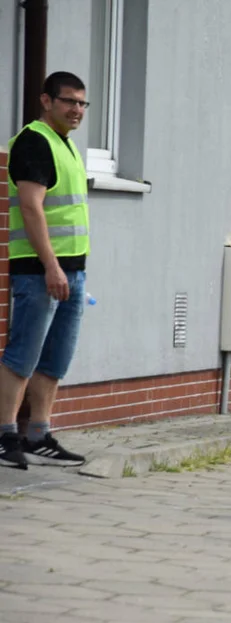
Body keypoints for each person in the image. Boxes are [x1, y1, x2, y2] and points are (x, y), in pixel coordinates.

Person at [0, 72, 92, 469]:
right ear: (46, 101)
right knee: (23, 355)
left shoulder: (65, 145)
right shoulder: (34, 141)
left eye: (82, 103)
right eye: (69, 101)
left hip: (71, 271)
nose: (76, 110)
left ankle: (38, 433)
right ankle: (5, 436)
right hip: (40, 272)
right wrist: (51, 266)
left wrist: (70, 270)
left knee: (54, 359)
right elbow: (31, 207)